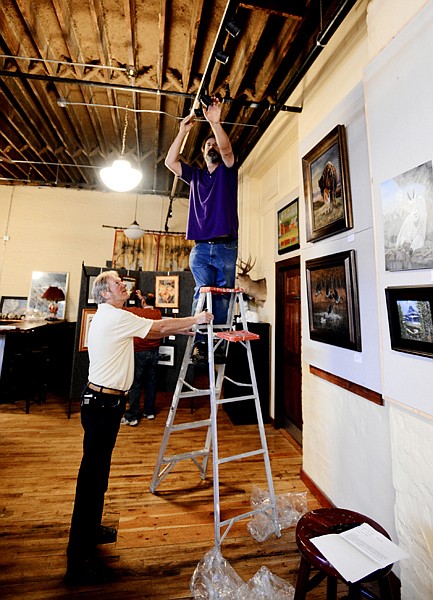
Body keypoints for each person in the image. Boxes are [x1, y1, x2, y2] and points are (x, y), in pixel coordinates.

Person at [65, 271, 213, 586]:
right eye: (118, 282)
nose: (124, 285)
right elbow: (157, 326)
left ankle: (91, 531)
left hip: (106, 404)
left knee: (98, 474)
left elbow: (154, 330)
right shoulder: (115, 317)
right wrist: (198, 317)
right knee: (91, 479)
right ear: (104, 293)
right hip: (102, 405)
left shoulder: (114, 316)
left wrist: (186, 328)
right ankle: (77, 558)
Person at [165, 97, 238, 363]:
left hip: (226, 245)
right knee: (201, 293)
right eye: (208, 144)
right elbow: (170, 162)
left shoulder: (228, 172)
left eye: (215, 143)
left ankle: (217, 345)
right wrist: (183, 131)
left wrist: (215, 124)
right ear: (202, 152)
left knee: (222, 297)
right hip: (199, 247)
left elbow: (228, 152)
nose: (213, 146)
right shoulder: (196, 176)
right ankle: (200, 343)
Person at [121, 291, 161, 425]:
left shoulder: (136, 313)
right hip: (154, 353)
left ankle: (132, 416)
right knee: (151, 382)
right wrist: (141, 298)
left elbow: (122, 308)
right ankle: (149, 411)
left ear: (143, 302)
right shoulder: (157, 313)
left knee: (135, 383)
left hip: (138, 353)